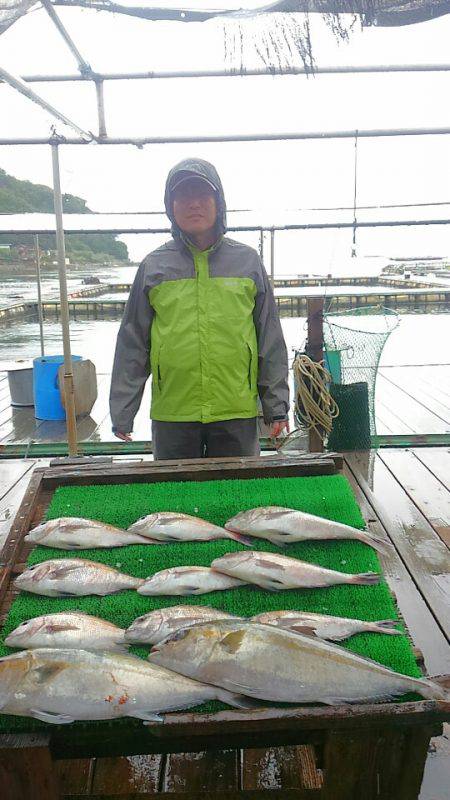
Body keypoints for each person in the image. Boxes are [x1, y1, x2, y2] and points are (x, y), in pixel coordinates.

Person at [110, 157, 289, 459]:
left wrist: (276, 405)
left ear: (219, 202)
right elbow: (133, 342)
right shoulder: (154, 266)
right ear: (171, 206)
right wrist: (123, 410)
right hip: (173, 413)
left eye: (202, 194)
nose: (194, 203)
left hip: (236, 409)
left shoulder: (248, 262)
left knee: (241, 496)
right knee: (175, 498)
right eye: (183, 195)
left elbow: (269, 337)